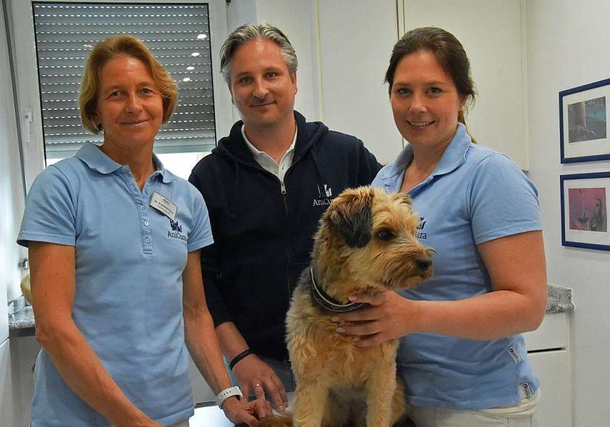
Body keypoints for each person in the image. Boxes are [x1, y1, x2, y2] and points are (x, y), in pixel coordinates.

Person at [17, 34, 271, 427]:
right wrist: (133, 421)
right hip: (76, 418)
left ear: (163, 104)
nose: (134, 105)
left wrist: (227, 397)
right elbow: (52, 328)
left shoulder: (186, 198)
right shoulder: (61, 186)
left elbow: (195, 311)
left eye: (145, 91)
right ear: (96, 110)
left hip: (169, 414)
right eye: (116, 94)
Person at [333, 27, 548, 427]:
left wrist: (413, 316)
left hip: (476, 405)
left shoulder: (489, 175)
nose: (416, 106)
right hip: (400, 399)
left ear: (462, 96)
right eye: (403, 91)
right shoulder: (384, 183)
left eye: (434, 90)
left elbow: (528, 306)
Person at [188, 23, 381, 412]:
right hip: (263, 374)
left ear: (293, 80)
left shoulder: (346, 156)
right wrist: (240, 359)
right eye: (245, 79)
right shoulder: (209, 177)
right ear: (231, 91)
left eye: (271, 74)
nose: (260, 90)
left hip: (350, 363)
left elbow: (392, 240)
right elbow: (202, 288)